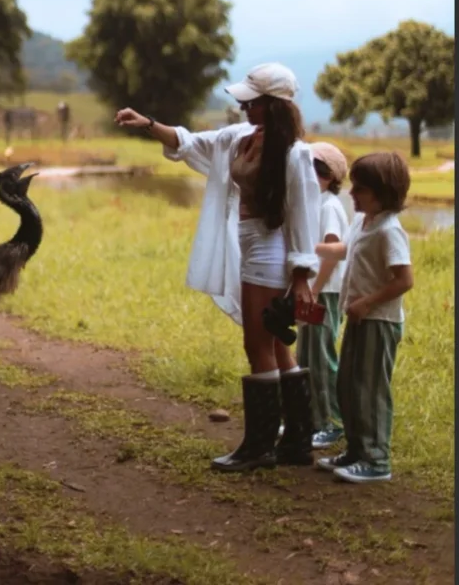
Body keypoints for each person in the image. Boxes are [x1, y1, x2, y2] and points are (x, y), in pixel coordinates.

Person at [115, 62, 321, 473]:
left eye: (252, 102)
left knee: (256, 345)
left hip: (270, 252)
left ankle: (260, 446)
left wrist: (301, 277)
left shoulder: (295, 155)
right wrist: (148, 124)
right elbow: (191, 143)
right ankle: (297, 439)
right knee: (278, 343)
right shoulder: (240, 139)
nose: (244, 108)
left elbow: (303, 216)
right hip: (248, 244)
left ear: (273, 105)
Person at [316, 152, 413, 483]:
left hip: (378, 321)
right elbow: (348, 249)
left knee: (370, 389)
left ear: (384, 192)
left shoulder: (389, 231)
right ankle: (357, 450)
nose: (352, 193)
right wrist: (312, 249)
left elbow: (404, 279)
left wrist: (368, 303)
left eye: (361, 189)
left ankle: (377, 459)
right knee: (349, 384)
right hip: (359, 318)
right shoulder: (363, 222)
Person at [296, 141, 350, 449]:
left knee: (322, 357)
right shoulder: (313, 203)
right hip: (312, 291)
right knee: (305, 357)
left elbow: (332, 253)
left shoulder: (330, 205)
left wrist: (315, 290)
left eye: (318, 169)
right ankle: (308, 419)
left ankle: (332, 422)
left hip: (324, 292)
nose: (311, 175)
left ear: (330, 176)